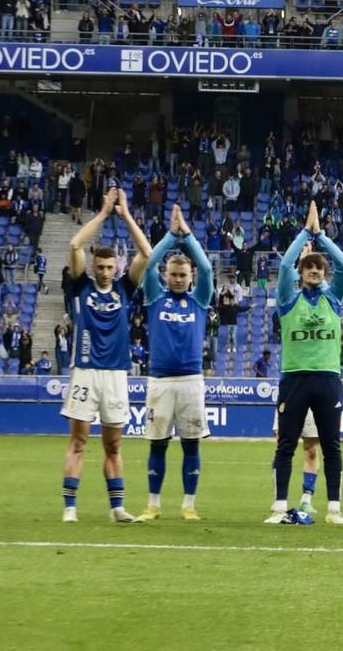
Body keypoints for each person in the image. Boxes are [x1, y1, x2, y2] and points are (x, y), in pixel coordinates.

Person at [61, 184, 152, 523]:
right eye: (99, 267)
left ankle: (117, 508)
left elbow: (147, 254)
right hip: (85, 370)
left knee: (113, 445)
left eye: (109, 267)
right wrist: (102, 213)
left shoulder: (125, 289)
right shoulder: (80, 285)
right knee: (79, 441)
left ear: (116, 267)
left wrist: (125, 214)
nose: (103, 272)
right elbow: (74, 245)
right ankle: (70, 507)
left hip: (116, 373)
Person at [264, 200, 343, 525]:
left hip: (328, 379)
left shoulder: (332, 298)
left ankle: (333, 510)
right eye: (309, 267)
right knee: (285, 445)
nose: (314, 270)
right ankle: (278, 507)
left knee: (332, 446)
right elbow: (285, 265)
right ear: (302, 273)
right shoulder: (288, 298)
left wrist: (321, 236)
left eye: (319, 268)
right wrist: (305, 233)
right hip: (294, 378)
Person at [139, 203, 212, 521]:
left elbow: (207, 270)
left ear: (190, 276)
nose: (179, 279)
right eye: (174, 274)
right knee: (158, 444)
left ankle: (188, 505)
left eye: (184, 275)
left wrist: (189, 237)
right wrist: (171, 235)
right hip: (160, 381)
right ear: (166, 276)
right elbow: (148, 262)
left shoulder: (199, 299)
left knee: (191, 445)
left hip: (191, 382)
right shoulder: (155, 297)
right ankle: (153, 505)